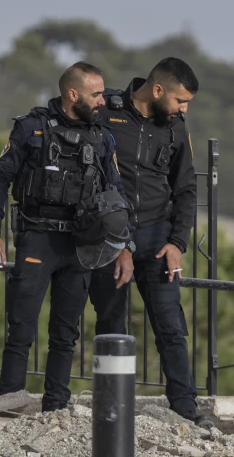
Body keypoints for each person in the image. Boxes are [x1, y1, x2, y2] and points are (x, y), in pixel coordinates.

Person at [0, 61, 135, 411]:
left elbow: (117, 194)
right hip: (38, 238)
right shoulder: (31, 129)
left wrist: (124, 246)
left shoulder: (102, 138)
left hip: (81, 247)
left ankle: (56, 406)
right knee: (21, 329)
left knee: (65, 334)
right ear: (72, 94)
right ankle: (9, 405)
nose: (102, 100)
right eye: (95, 94)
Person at [86, 57, 210, 427]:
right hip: (109, 238)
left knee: (170, 325)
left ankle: (185, 407)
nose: (183, 109)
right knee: (111, 322)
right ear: (157, 91)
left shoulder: (175, 128)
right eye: (180, 101)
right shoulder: (106, 112)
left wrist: (177, 243)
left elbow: (186, 189)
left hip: (158, 237)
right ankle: (111, 407)